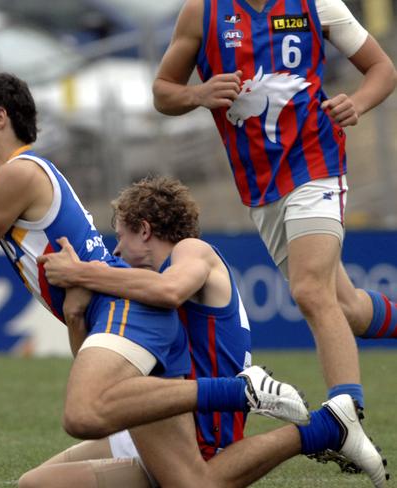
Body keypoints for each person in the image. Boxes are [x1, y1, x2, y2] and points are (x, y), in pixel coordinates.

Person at [0, 71, 313, 486]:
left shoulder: (19, 175)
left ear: (0, 118)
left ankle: (238, 389)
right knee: (190, 485)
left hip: (123, 310)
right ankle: (315, 428)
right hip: (106, 314)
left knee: (84, 414)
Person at [24, 176, 387, 487]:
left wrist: (82, 273)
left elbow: (171, 292)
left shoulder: (192, 250)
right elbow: (94, 372)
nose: (116, 248)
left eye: (120, 236)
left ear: (145, 229)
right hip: (166, 409)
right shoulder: (143, 286)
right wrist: (75, 313)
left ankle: (323, 428)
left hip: (207, 419)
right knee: (35, 483)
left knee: (196, 484)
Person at [152, 0, 396, 446]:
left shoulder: (316, 4)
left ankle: (346, 419)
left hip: (317, 162)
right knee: (348, 310)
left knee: (308, 290)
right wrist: (198, 94)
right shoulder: (202, 12)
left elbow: (382, 68)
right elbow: (163, 91)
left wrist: (357, 103)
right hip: (261, 186)